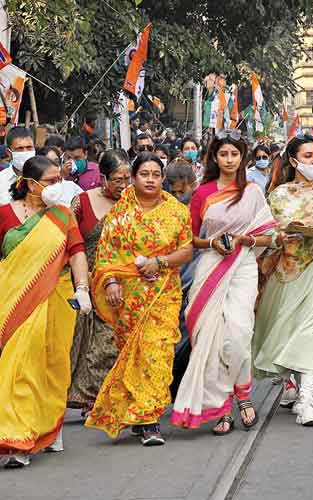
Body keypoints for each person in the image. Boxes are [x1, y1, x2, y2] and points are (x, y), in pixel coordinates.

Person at [171, 132, 276, 435]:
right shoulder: (203, 193)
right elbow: (189, 239)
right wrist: (212, 243)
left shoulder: (253, 191)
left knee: (239, 334)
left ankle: (242, 393)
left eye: (235, 154)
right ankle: (223, 406)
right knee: (211, 338)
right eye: (224, 154)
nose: (229, 160)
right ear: (215, 158)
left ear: (243, 157)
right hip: (211, 267)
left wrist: (248, 239)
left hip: (243, 266)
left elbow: (268, 236)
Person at [85, 153, 194, 446]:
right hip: (127, 298)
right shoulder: (120, 213)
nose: (150, 179)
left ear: (163, 179)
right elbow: (105, 254)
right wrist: (109, 282)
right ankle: (138, 412)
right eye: (144, 174)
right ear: (133, 178)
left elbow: (186, 251)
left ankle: (149, 420)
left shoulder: (177, 212)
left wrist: (160, 262)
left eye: (156, 174)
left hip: (163, 294)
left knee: (156, 354)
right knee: (133, 356)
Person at [0, 156, 92, 468]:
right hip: (15, 301)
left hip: (59, 296)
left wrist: (82, 288)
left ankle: (48, 424)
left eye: (59, 180)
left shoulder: (63, 216)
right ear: (29, 183)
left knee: (53, 364)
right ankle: (17, 438)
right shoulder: (3, 215)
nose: (57, 186)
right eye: (51, 181)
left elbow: (77, 253)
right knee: (20, 364)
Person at [255, 135, 313, 424]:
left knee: (312, 329)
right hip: (288, 269)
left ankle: (307, 400)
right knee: (291, 328)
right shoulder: (278, 195)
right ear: (293, 161)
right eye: (307, 157)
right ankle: (292, 385)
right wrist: (281, 236)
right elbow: (269, 235)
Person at [67, 150, 131, 412]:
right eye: (117, 179)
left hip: (120, 280)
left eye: (128, 179)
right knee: (83, 339)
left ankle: (106, 396)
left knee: (108, 341)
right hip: (85, 278)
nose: (123, 185)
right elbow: (69, 240)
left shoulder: (134, 203)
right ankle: (86, 397)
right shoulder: (81, 202)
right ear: (102, 177)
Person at [0, 127, 39, 205]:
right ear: (9, 153)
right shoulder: (1, 180)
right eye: (20, 148)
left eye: (29, 148)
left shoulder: (44, 178)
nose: (25, 152)